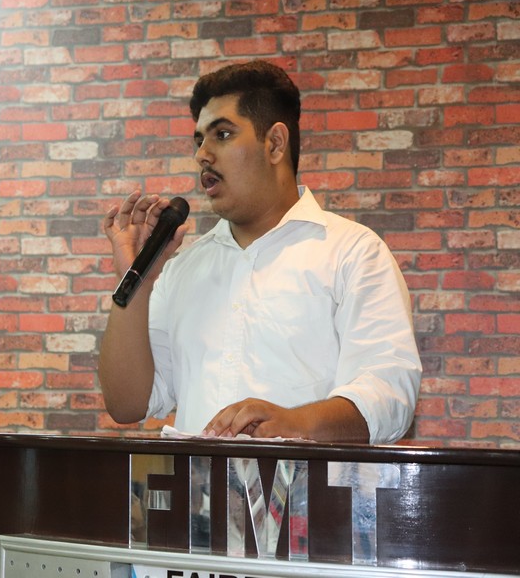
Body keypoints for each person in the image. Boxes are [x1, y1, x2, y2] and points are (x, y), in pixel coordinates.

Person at [98, 60, 422, 445]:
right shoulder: (182, 268)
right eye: (199, 140)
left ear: (275, 144)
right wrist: (137, 280)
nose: (202, 154)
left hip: (311, 486)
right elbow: (127, 404)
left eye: (222, 134)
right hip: (200, 486)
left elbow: (389, 395)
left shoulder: (352, 252)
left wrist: (293, 423)